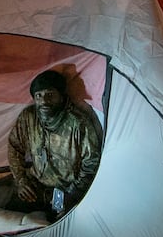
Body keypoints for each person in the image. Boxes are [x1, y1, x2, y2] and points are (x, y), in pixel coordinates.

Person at [6, 69, 102, 221]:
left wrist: (71, 195)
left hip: (64, 191)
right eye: (39, 96)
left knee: (56, 223)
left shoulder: (78, 123)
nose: (44, 101)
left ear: (61, 96)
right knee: (10, 214)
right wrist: (21, 181)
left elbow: (91, 163)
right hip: (35, 185)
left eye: (50, 95)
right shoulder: (28, 117)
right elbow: (14, 147)